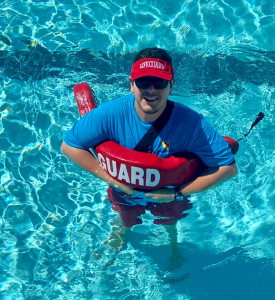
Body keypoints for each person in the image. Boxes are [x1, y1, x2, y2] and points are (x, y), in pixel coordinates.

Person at [61, 48, 238, 266]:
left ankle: (173, 243)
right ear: (132, 84)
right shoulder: (110, 114)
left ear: (171, 86)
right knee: (125, 217)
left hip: (170, 195)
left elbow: (228, 168)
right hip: (123, 190)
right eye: (144, 82)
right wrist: (111, 179)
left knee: (169, 220)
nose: (151, 90)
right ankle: (120, 233)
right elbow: (69, 146)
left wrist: (176, 193)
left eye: (160, 83)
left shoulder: (193, 125)